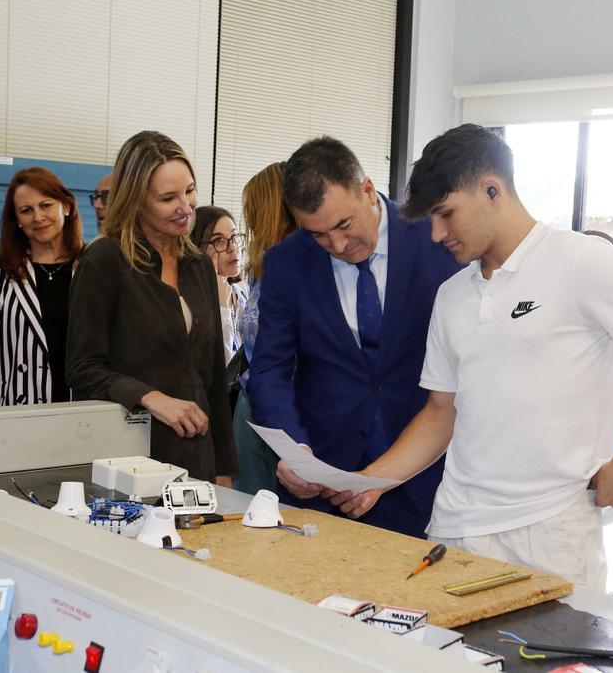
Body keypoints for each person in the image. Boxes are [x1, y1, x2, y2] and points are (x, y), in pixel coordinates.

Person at [329, 124, 613, 589]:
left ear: (492, 189)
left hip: (552, 530)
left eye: (446, 214)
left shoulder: (581, 261)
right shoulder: (452, 295)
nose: (436, 234)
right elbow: (440, 413)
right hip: (456, 527)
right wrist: (372, 480)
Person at [248, 137, 462, 537]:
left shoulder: (436, 241)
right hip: (323, 486)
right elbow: (270, 370)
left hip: (423, 480)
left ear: (366, 190)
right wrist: (294, 451)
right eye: (319, 235)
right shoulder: (286, 264)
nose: (339, 245)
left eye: (344, 225)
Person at [67, 131, 235, 484]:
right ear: (135, 200)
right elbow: (82, 368)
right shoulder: (105, 261)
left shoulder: (199, 264)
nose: (186, 207)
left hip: (196, 460)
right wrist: (149, 396)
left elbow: (215, 378)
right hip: (131, 459)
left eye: (189, 191)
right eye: (167, 198)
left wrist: (223, 470)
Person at [0, 167, 85, 407]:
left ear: (67, 207)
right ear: (17, 221)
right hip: (18, 410)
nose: (38, 218)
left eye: (46, 205)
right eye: (26, 210)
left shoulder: (91, 266)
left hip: (81, 407)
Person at [233, 162, 298, 495]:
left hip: (287, 406)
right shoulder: (260, 271)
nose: (250, 221)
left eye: (254, 210)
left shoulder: (303, 272)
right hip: (249, 400)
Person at [191, 206, 247, 364]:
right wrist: (222, 308)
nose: (233, 248)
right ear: (197, 248)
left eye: (234, 237)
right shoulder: (189, 300)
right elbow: (220, 367)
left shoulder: (241, 291)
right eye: (219, 241)